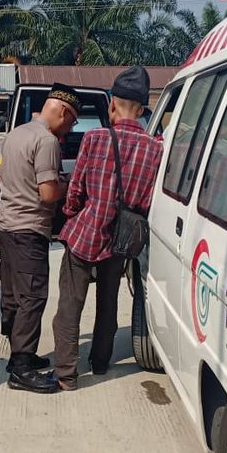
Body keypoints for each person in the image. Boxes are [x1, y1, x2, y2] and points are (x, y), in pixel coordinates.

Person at [52, 66, 163, 391]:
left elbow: (75, 191)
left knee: (70, 306)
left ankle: (66, 375)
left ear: (112, 103)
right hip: (120, 239)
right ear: (142, 110)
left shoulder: (95, 138)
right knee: (108, 303)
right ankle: (100, 362)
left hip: (85, 233)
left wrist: (71, 214)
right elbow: (146, 201)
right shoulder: (155, 149)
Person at [0, 83, 80, 394]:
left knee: (16, 293)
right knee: (33, 298)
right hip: (28, 229)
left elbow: (0, 178)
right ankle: (20, 369)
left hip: (6, 225)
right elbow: (47, 194)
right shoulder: (46, 141)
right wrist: (68, 186)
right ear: (62, 111)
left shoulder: (16, 133)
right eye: (71, 121)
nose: (69, 129)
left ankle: (24, 353)